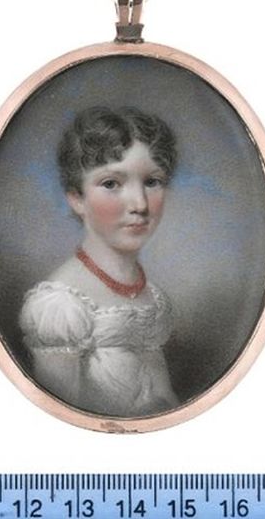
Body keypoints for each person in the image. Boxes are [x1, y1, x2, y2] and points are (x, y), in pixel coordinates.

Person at [19, 106, 179, 417]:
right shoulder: (60, 306)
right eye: (111, 184)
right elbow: (60, 420)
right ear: (77, 199)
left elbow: (166, 400)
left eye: (152, 181)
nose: (140, 204)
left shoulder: (153, 298)